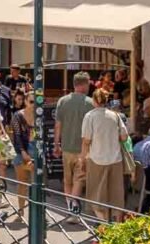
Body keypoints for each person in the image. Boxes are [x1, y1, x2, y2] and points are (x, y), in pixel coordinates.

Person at [80, 87, 129, 221]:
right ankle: (116, 228)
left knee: (95, 196)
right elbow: (124, 137)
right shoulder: (115, 116)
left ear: (94, 100)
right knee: (115, 196)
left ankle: (104, 224)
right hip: (115, 159)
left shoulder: (90, 116)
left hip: (96, 159)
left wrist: (82, 159)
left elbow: (86, 141)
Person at [55, 72, 94, 213]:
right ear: (83, 85)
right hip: (83, 149)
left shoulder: (62, 101)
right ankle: (73, 209)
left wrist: (56, 144)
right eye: (88, 83)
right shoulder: (91, 103)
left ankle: (69, 207)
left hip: (66, 147)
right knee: (79, 179)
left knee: (67, 180)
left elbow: (58, 125)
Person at [9, 88, 34, 210]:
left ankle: (37, 213)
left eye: (37, 102)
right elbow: (16, 136)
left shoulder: (40, 115)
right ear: (25, 101)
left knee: (36, 183)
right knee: (22, 182)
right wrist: (23, 152)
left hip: (35, 149)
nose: (34, 105)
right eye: (31, 101)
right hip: (21, 150)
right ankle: (21, 210)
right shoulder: (18, 116)